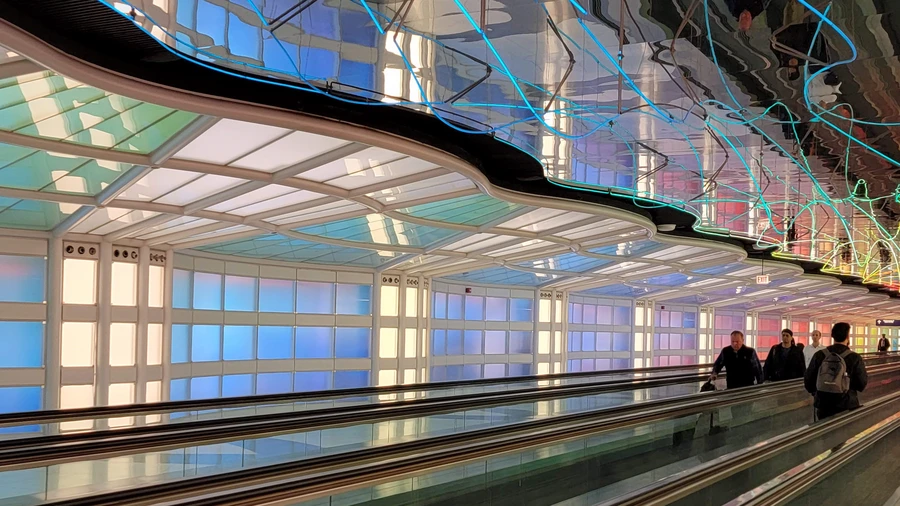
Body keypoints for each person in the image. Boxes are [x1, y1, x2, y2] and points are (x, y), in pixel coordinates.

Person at [805, 322, 868, 420]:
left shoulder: (819, 355)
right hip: (847, 405)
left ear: (832, 336)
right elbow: (861, 384)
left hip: (823, 404)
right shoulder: (854, 357)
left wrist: (819, 391)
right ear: (847, 337)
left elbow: (808, 382)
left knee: (824, 432)